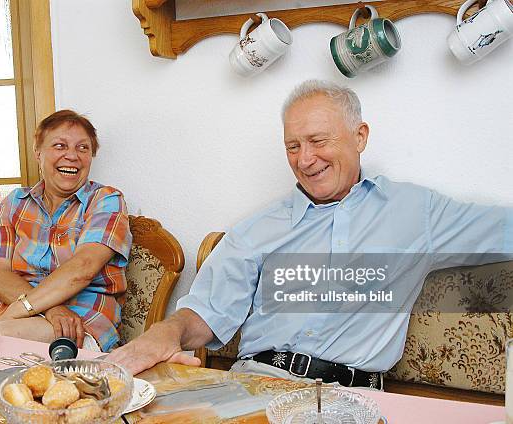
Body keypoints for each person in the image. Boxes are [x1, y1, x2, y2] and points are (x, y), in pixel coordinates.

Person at [107, 80, 513, 386]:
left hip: (351, 399)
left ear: (360, 136)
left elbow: (504, 230)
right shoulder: (258, 228)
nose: (305, 159)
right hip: (254, 385)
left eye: (318, 140)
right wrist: (165, 333)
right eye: (292, 146)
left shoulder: (415, 213)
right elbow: (207, 313)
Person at [0, 110, 132, 352]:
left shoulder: (106, 200)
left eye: (83, 148)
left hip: (79, 323)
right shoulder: (13, 203)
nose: (72, 156)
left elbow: (82, 269)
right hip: (14, 316)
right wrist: (49, 309)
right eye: (60, 146)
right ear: (38, 153)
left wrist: (22, 310)